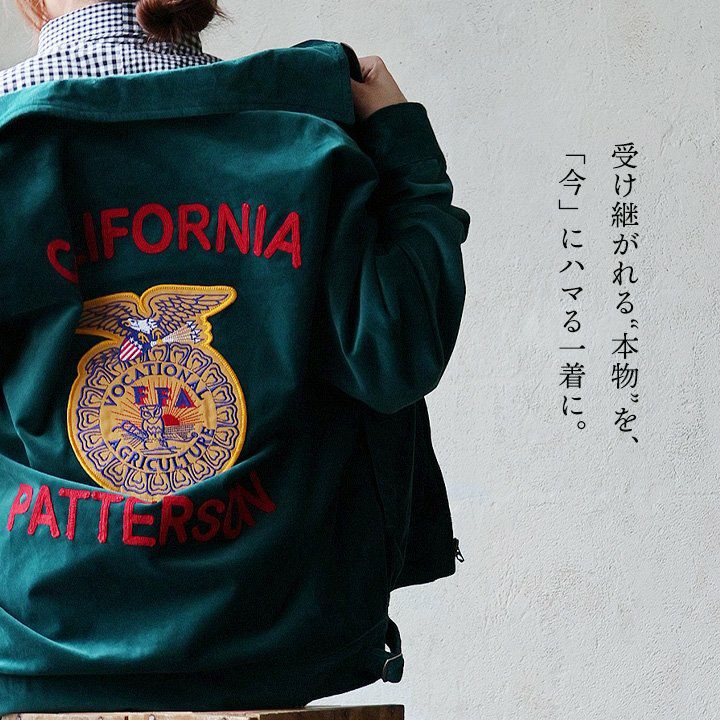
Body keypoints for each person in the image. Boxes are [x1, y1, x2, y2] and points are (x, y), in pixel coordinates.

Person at [0, 0, 470, 712]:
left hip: (37, 642)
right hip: (277, 636)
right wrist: (405, 156)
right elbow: (396, 352)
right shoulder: (302, 137)